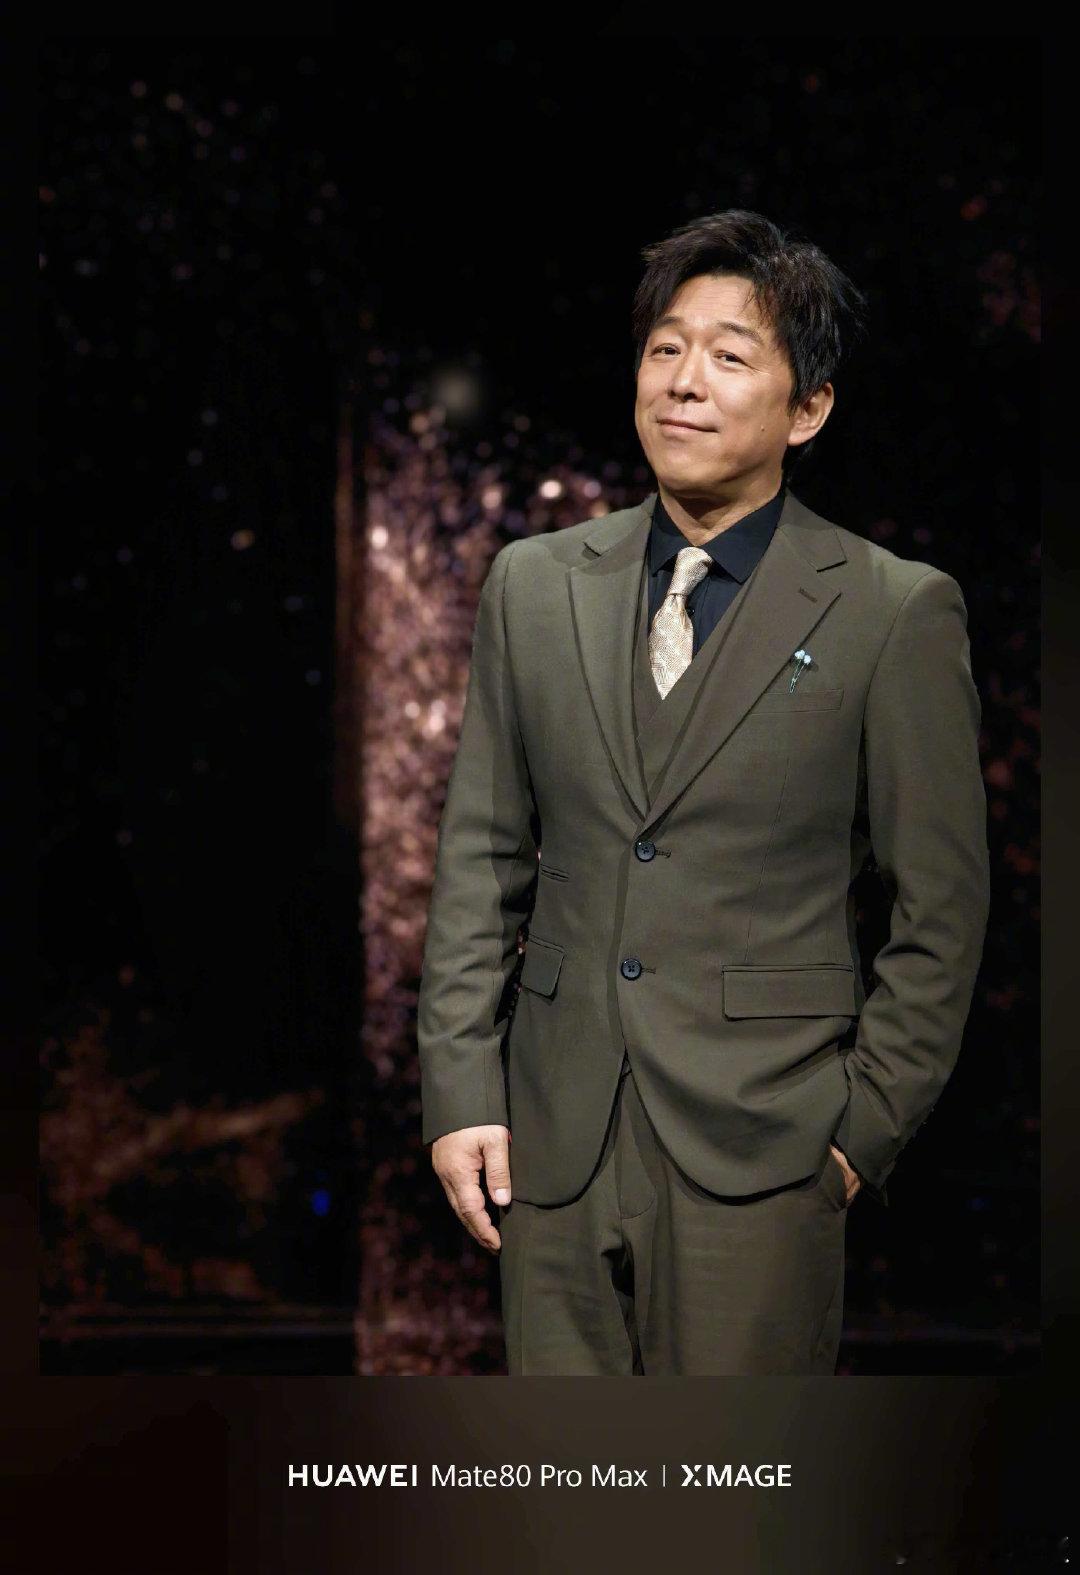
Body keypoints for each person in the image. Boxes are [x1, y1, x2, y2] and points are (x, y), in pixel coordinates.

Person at [417, 209, 991, 1375]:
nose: (684, 382)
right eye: (666, 348)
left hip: (767, 1150)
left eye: (731, 356)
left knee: (730, 1479)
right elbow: (481, 858)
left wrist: (861, 1129)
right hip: (554, 1146)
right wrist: (464, 1088)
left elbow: (941, 906)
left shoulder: (891, 609)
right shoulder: (535, 585)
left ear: (807, 408)